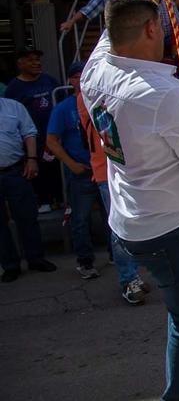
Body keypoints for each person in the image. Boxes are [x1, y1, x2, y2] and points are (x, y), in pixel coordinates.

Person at [80, 0, 179, 399]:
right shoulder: (163, 93)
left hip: (131, 222)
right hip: (174, 227)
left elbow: (107, 38)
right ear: (151, 28)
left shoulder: (94, 72)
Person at [76, 92, 149, 304]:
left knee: (136, 225)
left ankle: (134, 275)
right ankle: (129, 280)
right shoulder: (89, 92)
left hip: (131, 169)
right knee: (120, 227)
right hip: (108, 171)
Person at [46, 64, 101, 279]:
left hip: (104, 170)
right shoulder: (63, 108)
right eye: (77, 77)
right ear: (70, 81)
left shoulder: (100, 103)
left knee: (113, 216)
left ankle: (118, 258)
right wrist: (71, 164)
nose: (82, 80)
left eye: (86, 76)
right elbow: (52, 141)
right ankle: (85, 262)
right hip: (81, 171)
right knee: (80, 219)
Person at [0, 97, 56, 283]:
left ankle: (35, 258)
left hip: (15, 169)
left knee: (27, 216)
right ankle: (10, 265)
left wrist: (32, 159)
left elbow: (29, 133)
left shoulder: (14, 107)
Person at [5, 48, 61, 212]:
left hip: (55, 138)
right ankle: (44, 201)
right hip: (32, 142)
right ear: (20, 64)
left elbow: (61, 103)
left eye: (37, 59)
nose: (36, 63)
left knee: (57, 171)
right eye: (31, 60)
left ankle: (60, 200)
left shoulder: (49, 81)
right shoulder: (14, 88)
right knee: (37, 172)